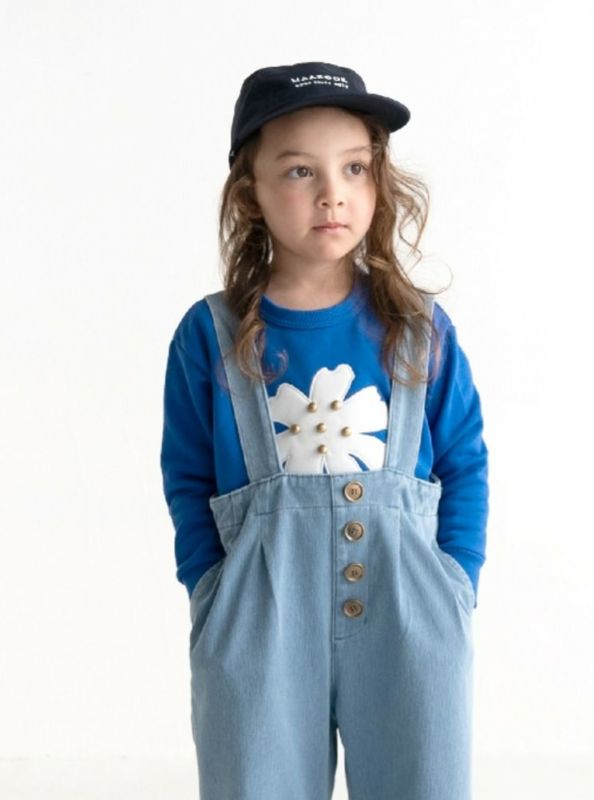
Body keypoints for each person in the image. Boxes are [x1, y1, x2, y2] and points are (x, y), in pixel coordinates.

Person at [159, 61, 489, 800]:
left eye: (354, 168)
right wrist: (210, 586)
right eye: (300, 170)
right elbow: (186, 474)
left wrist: (456, 581)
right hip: (259, 619)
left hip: (411, 612)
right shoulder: (211, 335)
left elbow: (464, 460)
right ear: (250, 191)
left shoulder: (418, 329)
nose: (332, 193)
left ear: (379, 182)